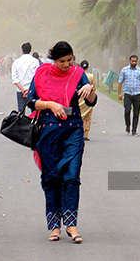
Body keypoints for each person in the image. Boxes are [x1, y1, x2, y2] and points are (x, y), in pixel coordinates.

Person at [26, 41, 97, 244]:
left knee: (72, 176)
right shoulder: (42, 73)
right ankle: (54, 226)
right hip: (48, 130)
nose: (67, 64)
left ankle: (72, 224)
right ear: (54, 60)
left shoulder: (77, 73)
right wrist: (50, 104)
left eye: (70, 60)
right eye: (62, 61)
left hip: (73, 129)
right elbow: (31, 100)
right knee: (52, 177)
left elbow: (91, 101)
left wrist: (89, 88)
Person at [118, 55, 140, 136]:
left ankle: (134, 130)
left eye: (135, 61)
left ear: (137, 61)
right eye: (132, 61)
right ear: (129, 61)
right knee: (127, 111)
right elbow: (120, 82)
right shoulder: (124, 70)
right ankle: (128, 125)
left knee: (136, 113)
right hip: (127, 93)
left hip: (137, 94)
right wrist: (119, 93)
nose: (134, 62)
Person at [11, 42, 39, 113]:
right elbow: (37, 77)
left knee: (21, 112)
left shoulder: (16, 62)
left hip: (20, 91)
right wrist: (28, 90)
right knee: (34, 111)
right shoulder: (35, 61)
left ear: (22, 50)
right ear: (30, 50)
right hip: (32, 90)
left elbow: (14, 79)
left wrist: (23, 90)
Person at [78, 60, 95, 141]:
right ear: (88, 67)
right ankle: (86, 134)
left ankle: (78, 133)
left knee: (79, 116)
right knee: (87, 117)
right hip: (88, 98)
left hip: (80, 99)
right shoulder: (91, 76)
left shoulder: (78, 75)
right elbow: (93, 88)